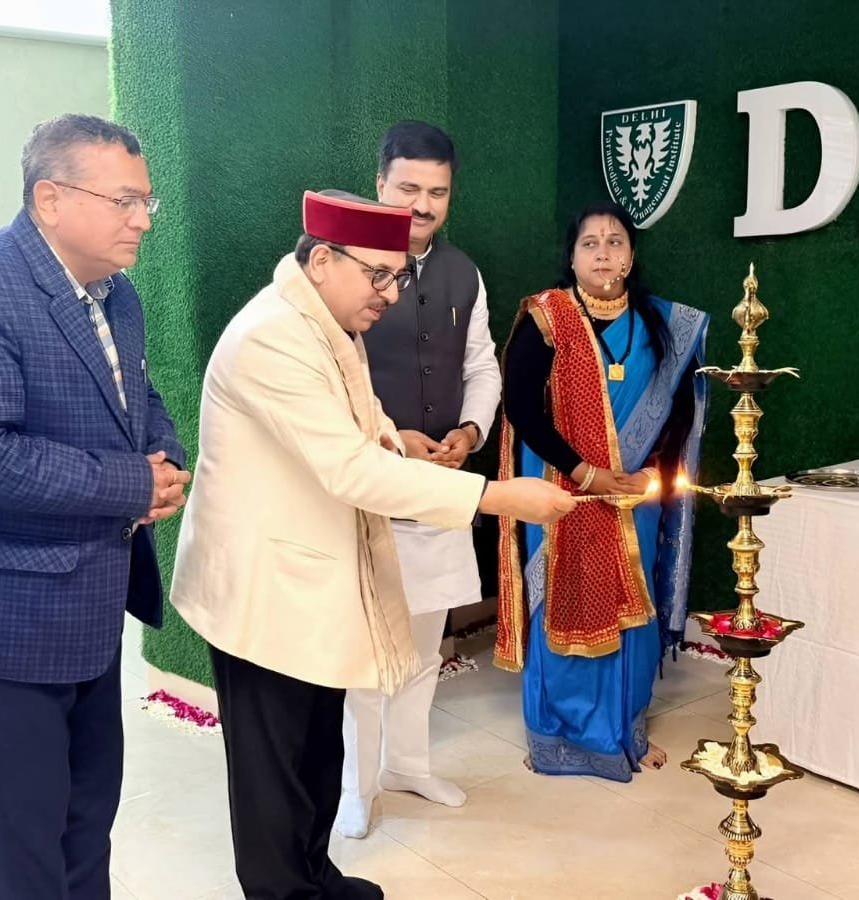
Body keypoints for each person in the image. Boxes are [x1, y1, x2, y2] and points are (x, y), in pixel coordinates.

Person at [170, 190, 574, 899]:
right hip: (265, 594)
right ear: (323, 260)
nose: (390, 294)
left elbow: (355, 421)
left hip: (310, 585)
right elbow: (349, 470)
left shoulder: (326, 321)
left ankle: (315, 879)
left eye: (399, 276)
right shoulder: (272, 336)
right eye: (378, 275)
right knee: (274, 773)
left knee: (316, 751)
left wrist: (395, 438)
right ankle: (283, 891)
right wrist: (495, 496)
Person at [0, 114, 189, 899]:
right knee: (29, 834)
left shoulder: (116, 294)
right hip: (9, 608)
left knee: (88, 816)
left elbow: (137, 398)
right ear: (50, 198)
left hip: (91, 599)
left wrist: (164, 457)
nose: (142, 219)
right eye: (124, 201)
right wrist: (132, 484)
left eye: (147, 202)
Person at [496, 199, 708, 781]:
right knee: (558, 602)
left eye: (615, 242)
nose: (603, 253)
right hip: (560, 491)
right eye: (589, 243)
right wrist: (586, 472)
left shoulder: (665, 325)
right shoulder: (547, 317)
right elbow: (521, 408)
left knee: (630, 613)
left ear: (631, 256)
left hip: (633, 496)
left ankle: (624, 729)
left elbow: (681, 416)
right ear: (571, 257)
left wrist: (653, 474)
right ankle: (558, 735)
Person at [338, 120, 501, 838]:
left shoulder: (465, 272)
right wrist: (390, 438)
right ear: (380, 184)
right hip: (369, 486)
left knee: (425, 643)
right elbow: (328, 375)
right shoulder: (345, 266)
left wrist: (471, 431)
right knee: (367, 651)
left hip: (440, 489)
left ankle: (408, 764)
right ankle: (358, 784)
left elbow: (481, 364)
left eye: (437, 192)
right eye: (408, 188)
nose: (423, 204)